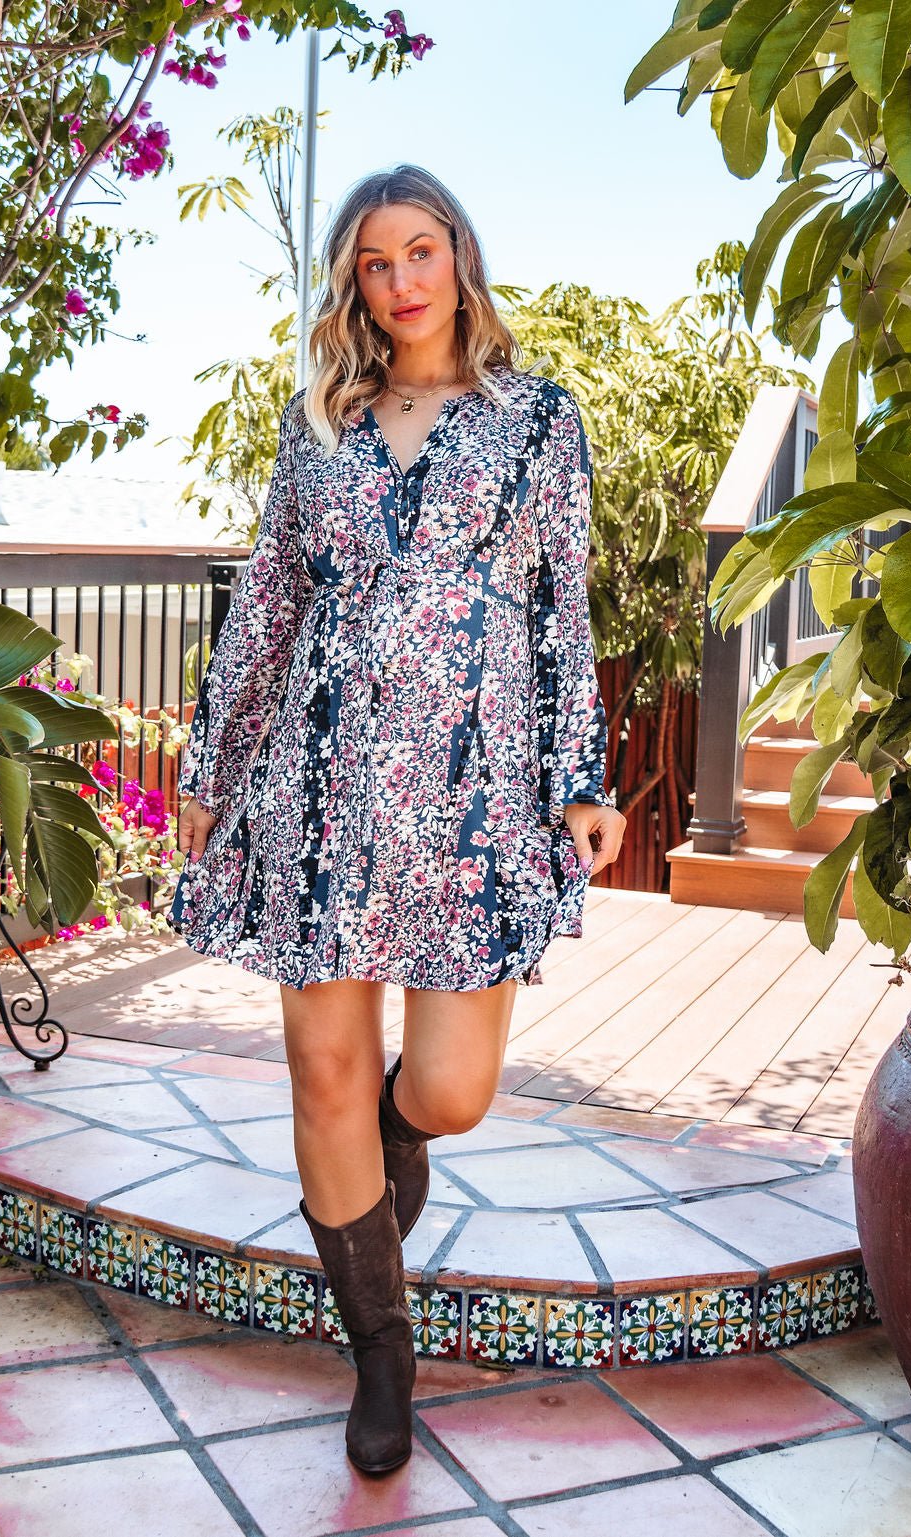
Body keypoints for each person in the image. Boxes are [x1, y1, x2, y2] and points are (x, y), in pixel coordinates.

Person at [168, 163, 627, 1475]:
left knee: (453, 1089)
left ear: (459, 258)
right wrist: (212, 767)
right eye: (376, 262)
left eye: (421, 251)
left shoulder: (539, 421)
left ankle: (392, 1136)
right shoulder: (320, 422)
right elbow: (268, 601)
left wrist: (583, 776)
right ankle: (381, 1352)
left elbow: (560, 608)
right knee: (319, 1070)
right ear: (355, 286)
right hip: (321, 781)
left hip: (474, 788)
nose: (402, 281)